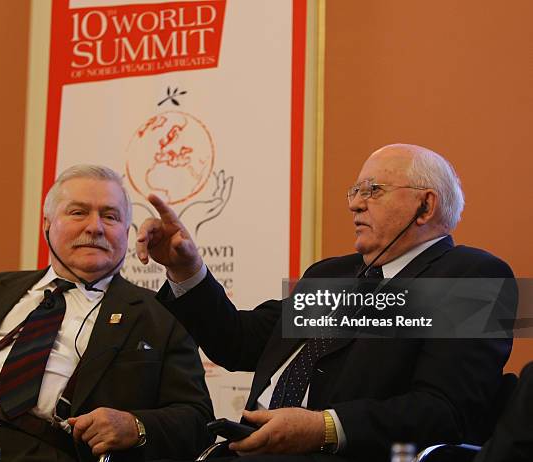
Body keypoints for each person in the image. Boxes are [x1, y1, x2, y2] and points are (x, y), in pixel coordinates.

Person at [136, 144, 515, 461]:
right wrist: (187, 269)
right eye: (355, 191)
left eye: (374, 190)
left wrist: (324, 427)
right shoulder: (330, 275)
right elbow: (239, 343)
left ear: (425, 206)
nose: (356, 205)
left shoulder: (474, 276)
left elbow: (446, 412)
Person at [0, 165, 214, 461]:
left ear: (126, 233)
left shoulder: (160, 313)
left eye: (110, 217)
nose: (95, 227)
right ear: (47, 224)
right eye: (78, 212)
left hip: (44, 449)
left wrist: (135, 426)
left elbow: (197, 420)